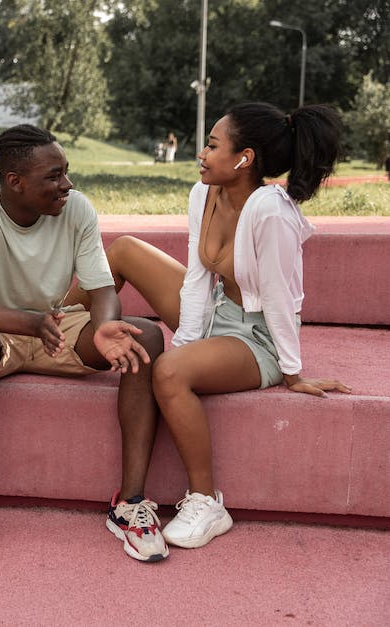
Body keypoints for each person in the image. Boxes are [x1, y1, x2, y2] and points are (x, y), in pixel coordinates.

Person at [81, 102, 351, 549]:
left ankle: (207, 502)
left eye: (211, 145)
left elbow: (282, 298)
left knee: (168, 372)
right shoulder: (202, 193)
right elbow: (196, 276)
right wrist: (187, 343)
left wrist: (292, 370)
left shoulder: (272, 212)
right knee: (125, 249)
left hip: (256, 336)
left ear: (244, 158)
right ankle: (53, 319)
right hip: (213, 312)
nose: (201, 154)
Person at [0, 124, 168, 565]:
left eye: (67, 173)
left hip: (59, 328)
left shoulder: (76, 208)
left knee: (146, 337)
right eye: (54, 176)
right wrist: (27, 322)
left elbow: (101, 290)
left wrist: (103, 327)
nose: (67, 184)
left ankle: (130, 504)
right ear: (14, 181)